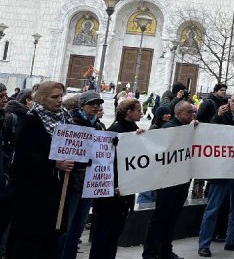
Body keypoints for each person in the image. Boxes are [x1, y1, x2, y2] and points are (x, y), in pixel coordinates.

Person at [5, 81, 73, 259]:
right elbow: (23, 157)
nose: (59, 101)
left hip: (56, 192)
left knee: (49, 243)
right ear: (42, 98)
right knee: (28, 243)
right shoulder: (30, 120)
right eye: (54, 97)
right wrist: (54, 163)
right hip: (32, 194)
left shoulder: (66, 120)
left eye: (61, 96)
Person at [198, 91, 234, 257]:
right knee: (213, 208)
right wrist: (217, 116)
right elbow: (211, 132)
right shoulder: (222, 116)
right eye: (232, 101)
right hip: (222, 170)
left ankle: (231, 240)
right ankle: (204, 244)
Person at [142, 100, 198, 259]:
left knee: (172, 218)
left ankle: (165, 250)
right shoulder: (169, 128)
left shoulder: (189, 128)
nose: (192, 115)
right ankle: (150, 253)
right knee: (160, 218)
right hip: (167, 182)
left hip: (182, 180)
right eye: (189, 112)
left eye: (193, 112)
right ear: (179, 113)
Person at [89, 98, 144, 259]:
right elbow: (108, 161)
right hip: (110, 191)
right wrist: (114, 184)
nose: (141, 113)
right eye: (138, 110)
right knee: (103, 234)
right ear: (129, 112)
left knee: (114, 235)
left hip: (123, 191)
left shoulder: (133, 129)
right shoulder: (115, 130)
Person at [56, 91, 107, 259]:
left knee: (78, 227)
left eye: (98, 104)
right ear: (81, 105)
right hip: (71, 182)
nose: (95, 107)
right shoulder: (70, 122)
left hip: (90, 183)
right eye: (91, 104)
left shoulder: (99, 126)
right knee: (65, 227)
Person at [0, 89, 29, 244]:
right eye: (1, 96)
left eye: (5, 96)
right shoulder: (9, 119)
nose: (5, 100)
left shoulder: (6, 118)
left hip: (6, 179)